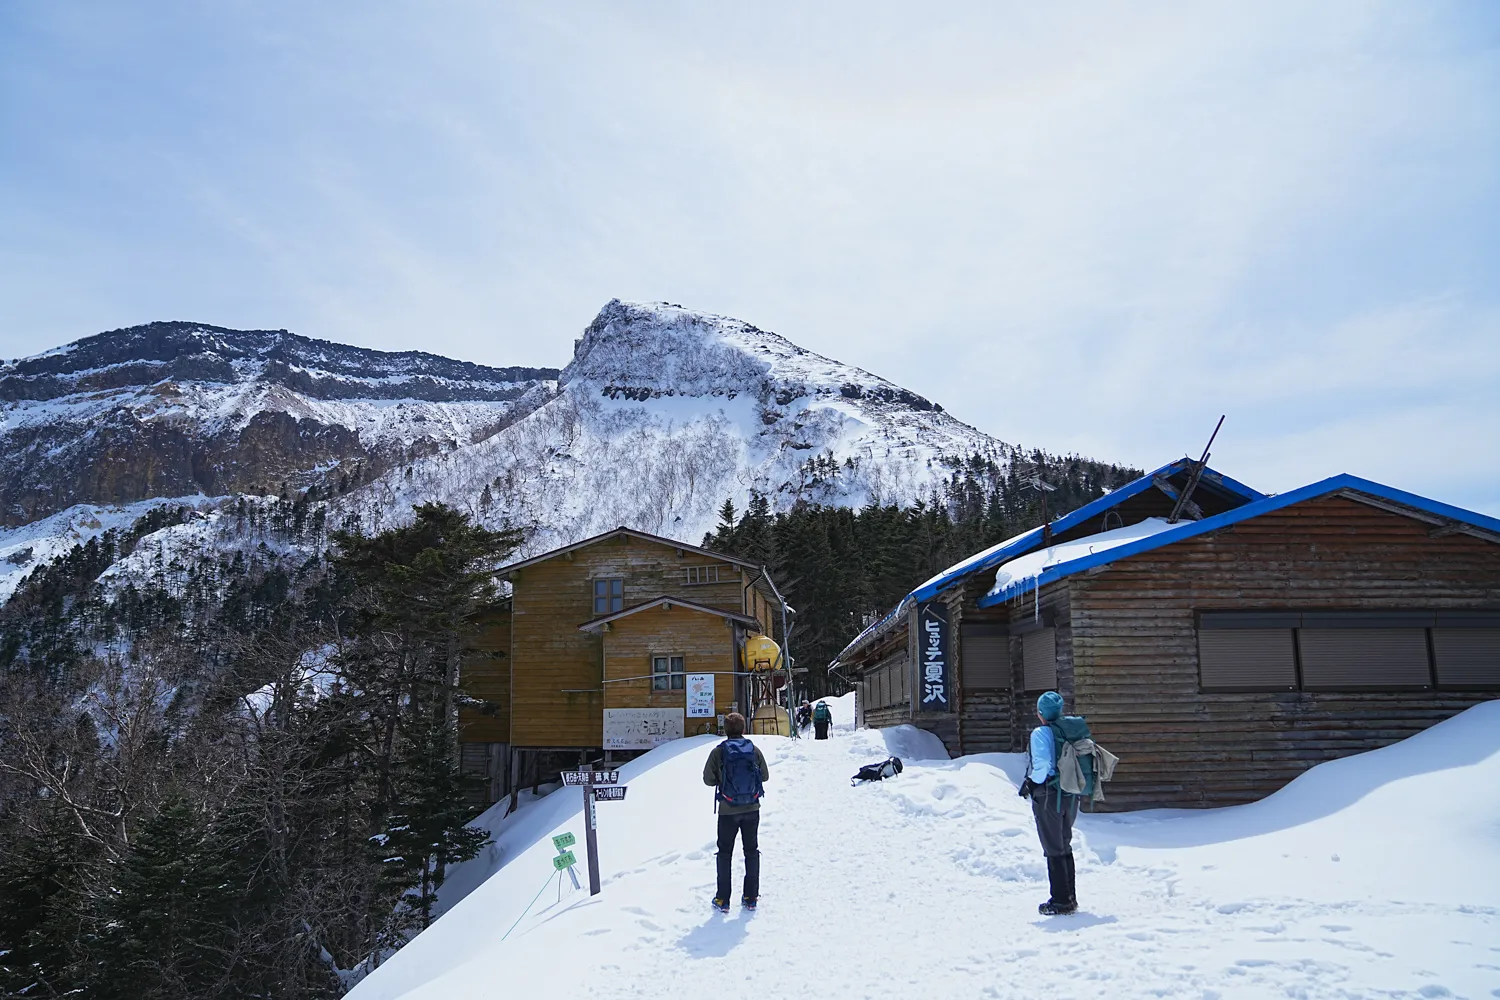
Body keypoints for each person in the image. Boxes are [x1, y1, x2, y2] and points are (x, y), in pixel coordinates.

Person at [1018, 690, 1085, 915]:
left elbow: (1043, 764)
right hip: (1071, 794)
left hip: (1049, 794)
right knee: (1064, 844)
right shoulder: (1072, 730)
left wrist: (1030, 782)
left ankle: (1060, 902)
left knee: (1053, 847)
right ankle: (1070, 897)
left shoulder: (1040, 733)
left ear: (1040, 714)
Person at [703, 712, 770, 911]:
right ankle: (751, 897)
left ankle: (723, 900)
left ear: (725, 730)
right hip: (752, 808)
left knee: (724, 853)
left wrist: (723, 780)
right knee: (751, 851)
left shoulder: (719, 751)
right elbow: (764, 776)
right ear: (743, 729)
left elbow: (708, 779)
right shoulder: (753, 750)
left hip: (727, 810)